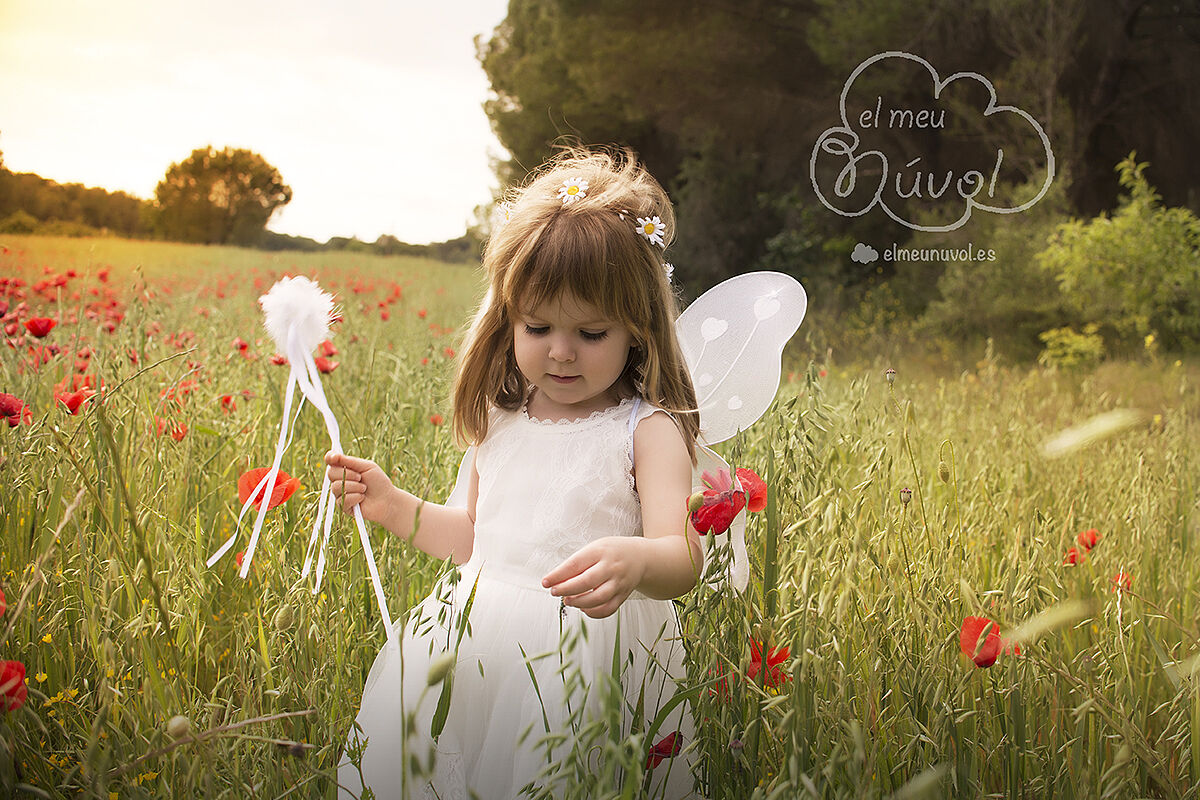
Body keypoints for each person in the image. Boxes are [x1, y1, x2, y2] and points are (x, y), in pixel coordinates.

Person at [327, 148, 706, 799]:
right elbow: (473, 538)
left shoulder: (646, 430)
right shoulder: (501, 417)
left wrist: (640, 562)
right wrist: (392, 504)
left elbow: (686, 554)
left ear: (636, 330)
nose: (560, 351)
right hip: (477, 638)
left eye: (590, 333)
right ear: (508, 318)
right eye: (538, 326)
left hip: (587, 657)